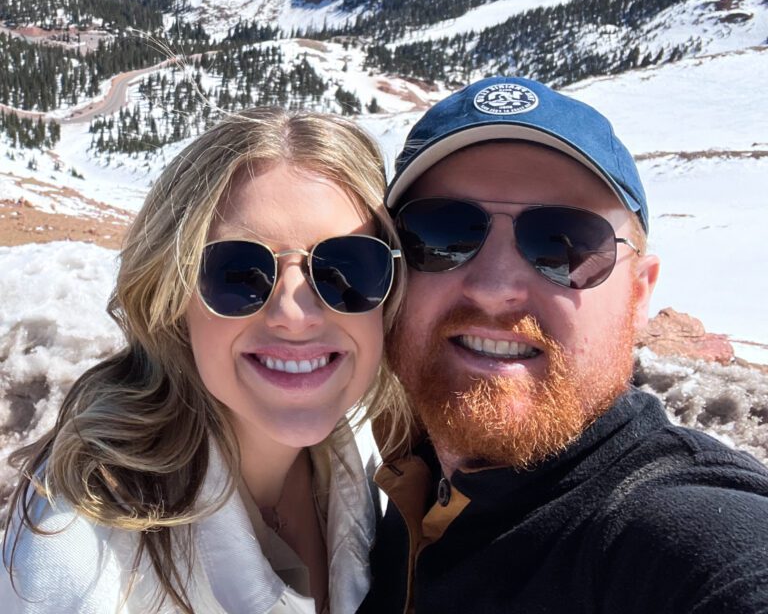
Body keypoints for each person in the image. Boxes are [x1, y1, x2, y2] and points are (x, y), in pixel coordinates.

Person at [359, 76, 768, 614]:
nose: (495, 288)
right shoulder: (397, 472)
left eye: (563, 246)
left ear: (638, 292)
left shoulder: (659, 535)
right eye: (441, 236)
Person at [2, 108, 406, 614]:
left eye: (347, 268)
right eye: (239, 273)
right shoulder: (81, 555)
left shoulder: (385, 461)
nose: (295, 314)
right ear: (171, 300)